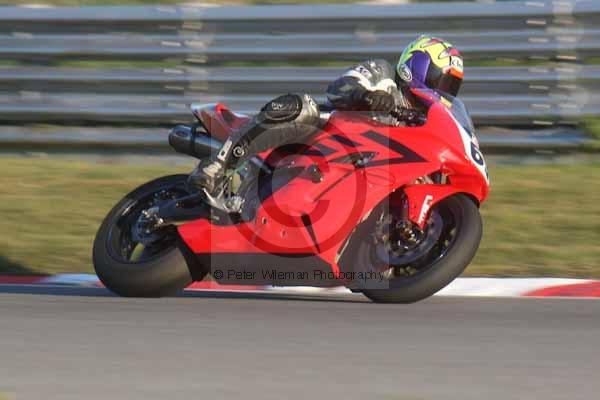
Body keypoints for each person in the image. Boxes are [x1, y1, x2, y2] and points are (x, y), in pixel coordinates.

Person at [190, 35, 464, 195]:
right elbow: (339, 88)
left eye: (451, 86)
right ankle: (218, 164)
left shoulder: (422, 121)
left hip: (351, 175)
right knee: (303, 106)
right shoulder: (384, 75)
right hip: (322, 140)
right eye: (441, 80)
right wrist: (366, 96)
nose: (444, 91)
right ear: (416, 66)